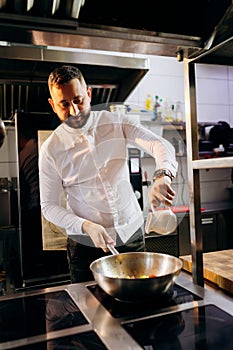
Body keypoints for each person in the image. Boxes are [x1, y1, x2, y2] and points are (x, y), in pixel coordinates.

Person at [39, 65, 178, 283]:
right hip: (85, 245)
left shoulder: (115, 122)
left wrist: (162, 175)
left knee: (139, 302)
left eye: (78, 100)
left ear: (89, 93)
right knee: (91, 311)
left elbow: (159, 144)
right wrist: (86, 225)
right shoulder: (51, 149)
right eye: (64, 104)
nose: (74, 111)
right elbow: (48, 206)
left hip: (130, 235)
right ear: (53, 105)